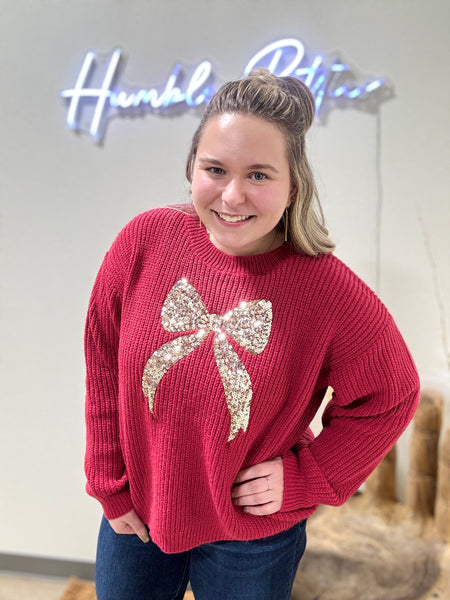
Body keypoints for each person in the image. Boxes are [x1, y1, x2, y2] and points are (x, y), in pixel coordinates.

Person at [84, 69, 420, 600]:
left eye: (260, 175)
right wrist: (107, 480)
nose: (233, 195)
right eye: (215, 168)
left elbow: (392, 394)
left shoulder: (326, 289)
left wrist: (309, 475)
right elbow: (103, 361)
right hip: (137, 513)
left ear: (293, 186)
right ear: (192, 168)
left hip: (252, 535)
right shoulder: (144, 242)